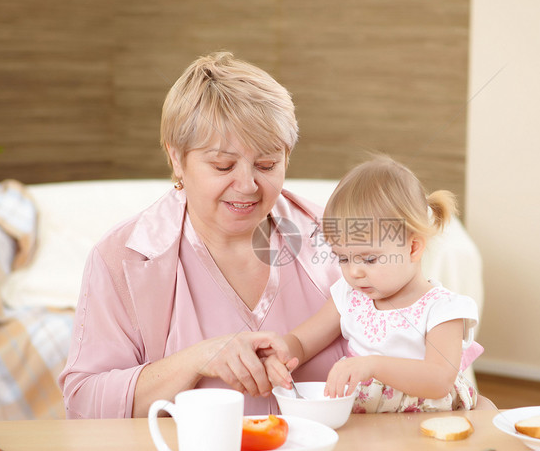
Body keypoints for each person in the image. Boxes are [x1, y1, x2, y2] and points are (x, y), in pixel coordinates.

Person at [58, 51, 345, 418]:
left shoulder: (336, 238)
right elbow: (84, 402)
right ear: (177, 158)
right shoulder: (123, 258)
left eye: (267, 164)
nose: (247, 185)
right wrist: (198, 359)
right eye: (222, 165)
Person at [266, 155, 489, 413]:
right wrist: (282, 354)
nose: (354, 272)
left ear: (413, 247)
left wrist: (372, 365)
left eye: (369, 259)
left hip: (428, 425)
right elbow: (302, 342)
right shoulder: (349, 298)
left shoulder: (443, 309)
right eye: (343, 258)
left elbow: (439, 380)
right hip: (367, 425)